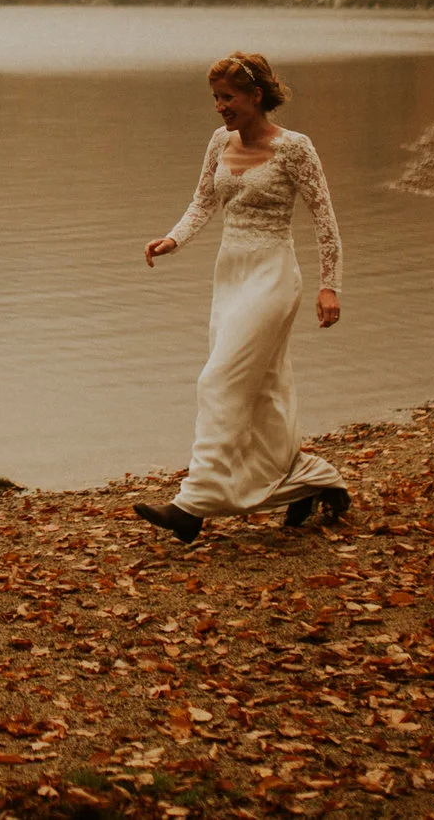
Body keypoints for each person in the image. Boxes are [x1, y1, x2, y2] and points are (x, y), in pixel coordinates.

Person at [133, 51, 351, 542]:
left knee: (218, 380)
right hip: (230, 274)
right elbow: (203, 200)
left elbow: (325, 220)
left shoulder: (296, 148)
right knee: (267, 389)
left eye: (228, 97)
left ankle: (193, 503)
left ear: (256, 96)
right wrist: (173, 240)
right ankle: (310, 482)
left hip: (273, 276)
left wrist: (329, 284)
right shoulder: (219, 142)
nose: (220, 107)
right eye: (215, 98)